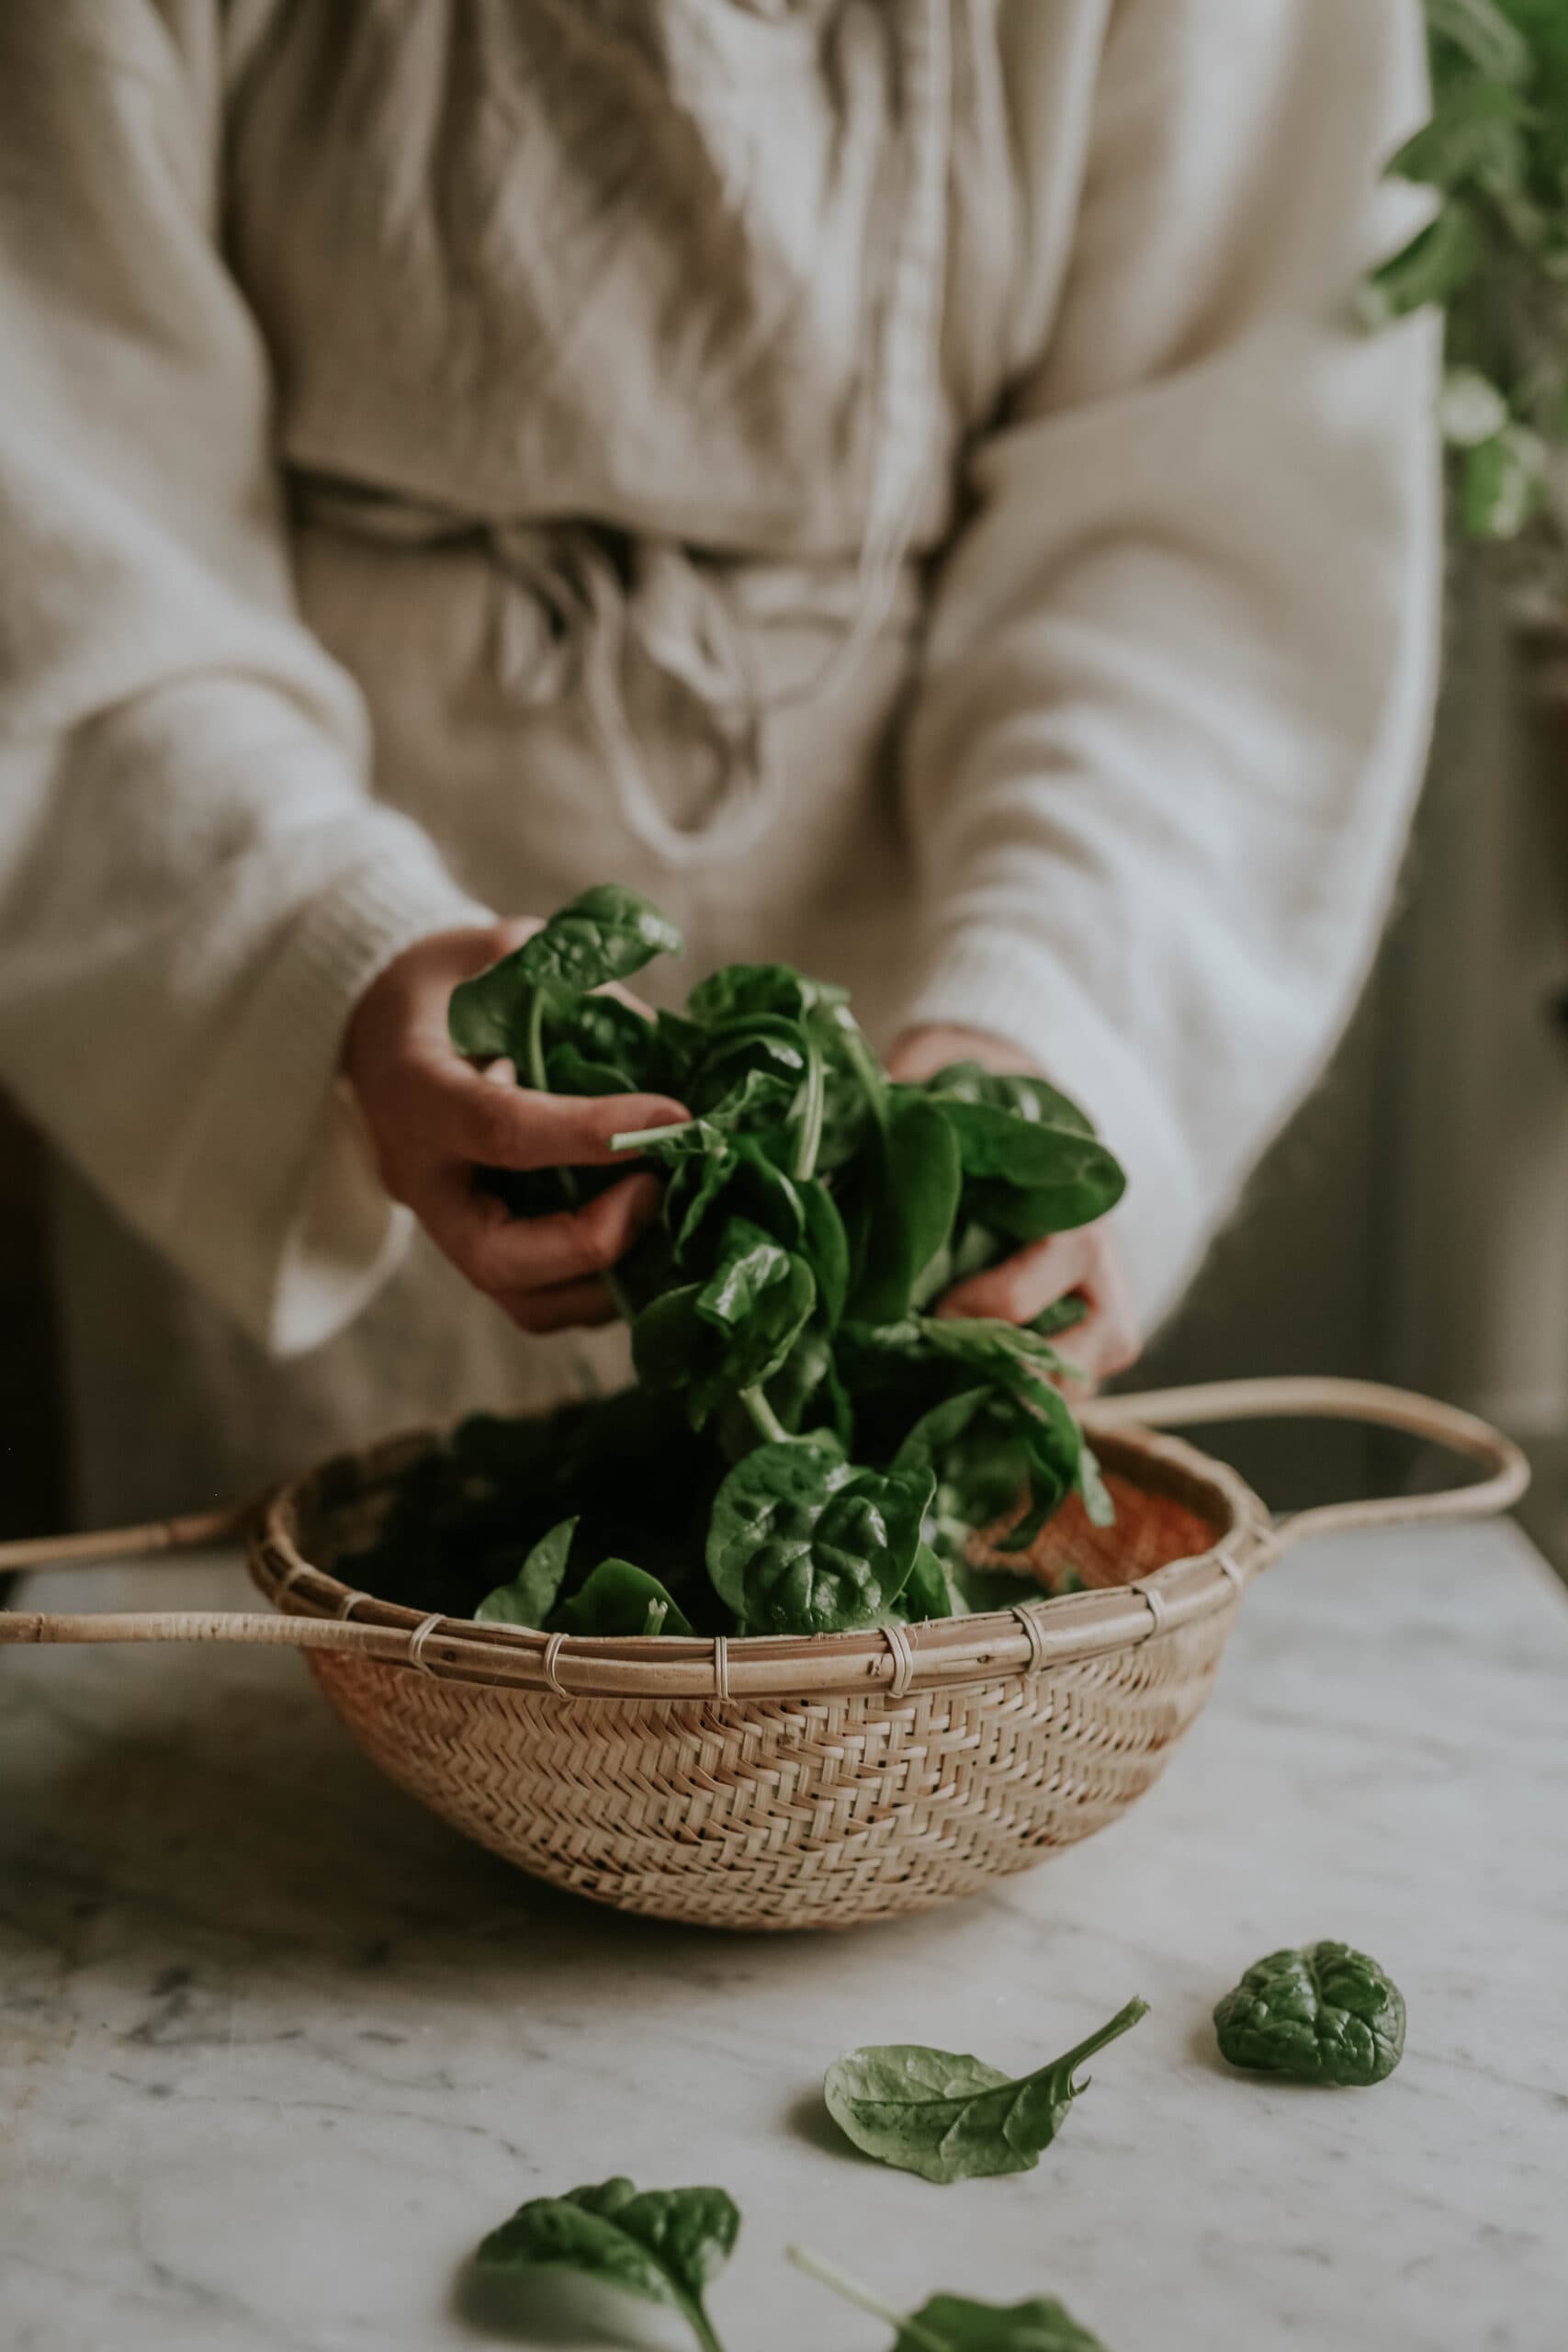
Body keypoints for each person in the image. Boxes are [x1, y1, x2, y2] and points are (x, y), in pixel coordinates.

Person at [0, 2, 1438, 1526]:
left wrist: (1046, 1035)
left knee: (851, 1703)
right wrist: (328, 960)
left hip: (927, 911)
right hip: (283, 1006)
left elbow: (1214, 541)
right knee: (283, 1679)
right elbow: (62, 501)